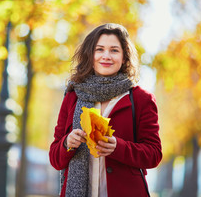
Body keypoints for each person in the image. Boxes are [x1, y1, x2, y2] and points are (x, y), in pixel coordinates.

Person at [49, 23, 162, 197]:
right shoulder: (73, 96)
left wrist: (118, 147)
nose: (106, 56)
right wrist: (67, 143)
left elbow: (153, 154)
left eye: (114, 50)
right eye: (99, 49)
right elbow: (55, 158)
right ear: (90, 54)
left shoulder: (141, 99)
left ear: (124, 57)